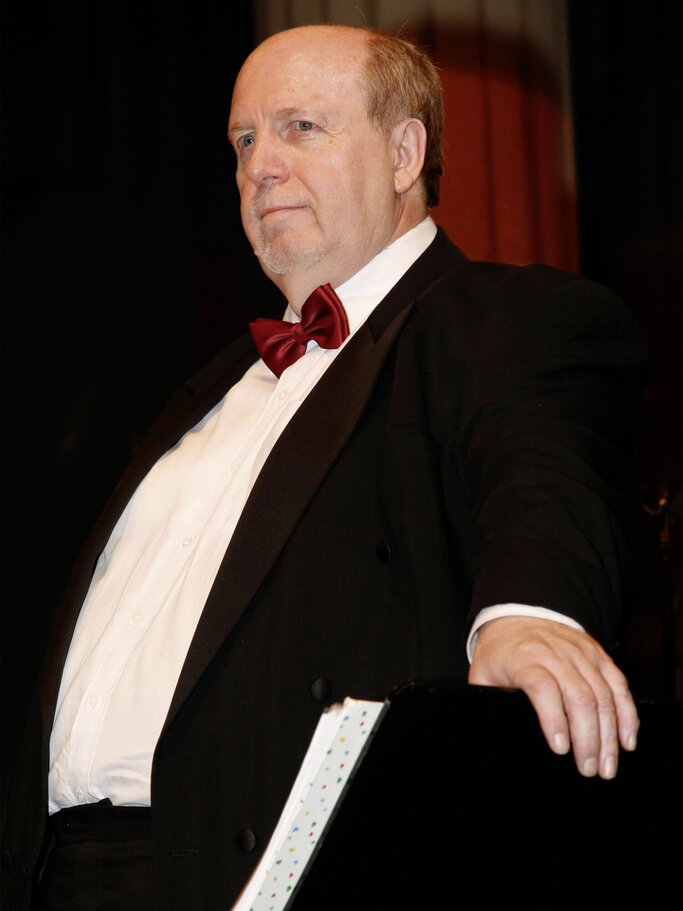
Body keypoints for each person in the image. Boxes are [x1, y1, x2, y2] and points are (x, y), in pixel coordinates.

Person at [2, 23, 648, 911]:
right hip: (56, 872)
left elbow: (543, 470)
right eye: (242, 140)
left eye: (299, 127)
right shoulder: (207, 384)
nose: (259, 164)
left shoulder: (499, 320)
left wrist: (529, 615)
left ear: (402, 152)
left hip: (258, 870)